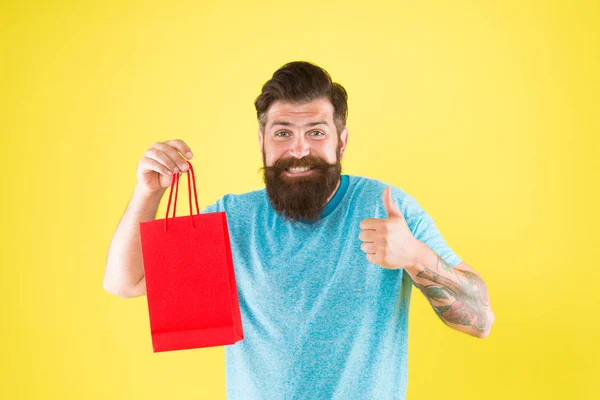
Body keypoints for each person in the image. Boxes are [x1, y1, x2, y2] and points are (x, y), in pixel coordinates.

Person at [104, 61, 495, 400]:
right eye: (282, 133)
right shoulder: (233, 220)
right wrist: (147, 192)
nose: (299, 149)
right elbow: (125, 281)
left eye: (316, 132)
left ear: (341, 143)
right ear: (261, 142)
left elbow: (481, 320)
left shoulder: (388, 208)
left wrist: (415, 256)